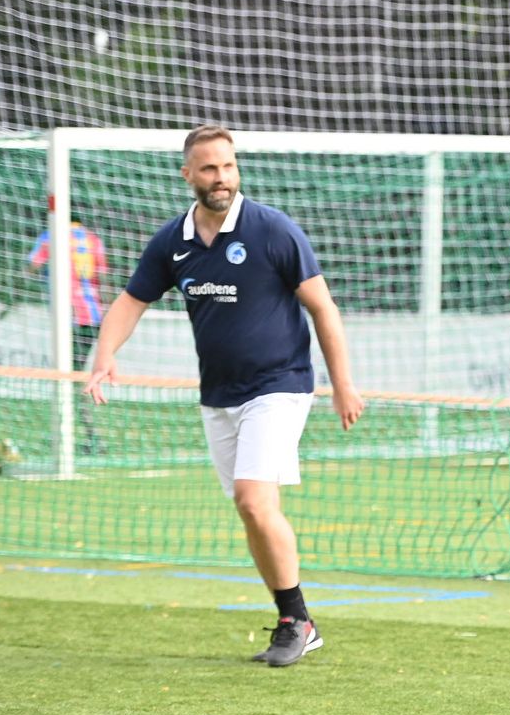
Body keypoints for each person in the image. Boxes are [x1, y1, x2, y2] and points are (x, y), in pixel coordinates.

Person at [86, 125, 363, 667]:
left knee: (253, 499)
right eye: (210, 168)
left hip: (280, 386)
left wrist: (343, 384)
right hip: (219, 394)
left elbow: (323, 309)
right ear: (188, 173)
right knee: (253, 509)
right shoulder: (174, 241)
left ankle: (297, 620)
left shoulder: (272, 230)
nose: (222, 179)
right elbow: (128, 302)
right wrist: (103, 356)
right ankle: (293, 619)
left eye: (229, 167)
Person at [28, 215, 108, 447]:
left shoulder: (51, 236)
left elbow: (32, 265)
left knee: (70, 377)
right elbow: (102, 276)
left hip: (69, 315)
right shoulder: (93, 240)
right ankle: (75, 434)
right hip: (93, 316)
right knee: (75, 374)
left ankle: (83, 436)